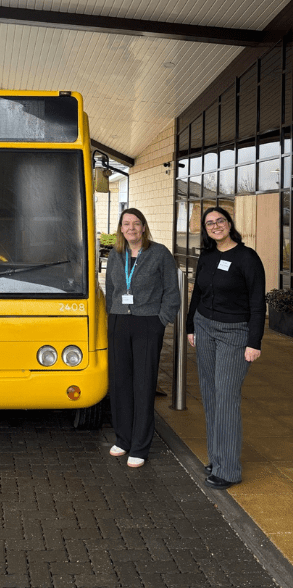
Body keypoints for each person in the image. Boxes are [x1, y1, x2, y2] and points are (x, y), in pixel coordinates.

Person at [187, 206, 265, 490]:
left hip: (234, 333)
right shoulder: (206, 256)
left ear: (230, 224)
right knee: (209, 394)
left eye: (220, 220)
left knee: (227, 398)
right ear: (205, 230)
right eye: (210, 223)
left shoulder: (247, 258)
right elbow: (197, 292)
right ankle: (217, 457)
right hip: (204, 327)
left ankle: (229, 469)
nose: (215, 225)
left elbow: (258, 302)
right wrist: (190, 326)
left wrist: (254, 342)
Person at [105, 208, 180, 467]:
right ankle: (123, 439)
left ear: (144, 227)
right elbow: (111, 290)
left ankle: (139, 445)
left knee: (143, 383)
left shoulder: (159, 254)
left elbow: (172, 291)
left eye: (136, 224)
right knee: (120, 383)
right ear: (121, 229)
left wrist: (161, 321)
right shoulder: (116, 255)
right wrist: (112, 317)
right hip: (118, 322)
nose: (132, 228)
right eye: (126, 224)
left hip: (148, 323)